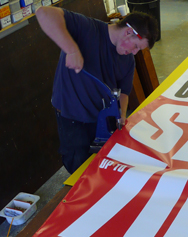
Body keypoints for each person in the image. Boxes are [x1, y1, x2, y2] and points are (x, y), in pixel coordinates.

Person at [36, 6, 158, 174]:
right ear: (129, 32)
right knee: (78, 167)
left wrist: (121, 115)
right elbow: (44, 13)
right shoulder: (87, 28)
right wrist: (71, 49)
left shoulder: (128, 60)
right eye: (136, 46)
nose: (135, 52)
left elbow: (124, 92)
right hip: (72, 118)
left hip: (102, 118)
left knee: (102, 168)